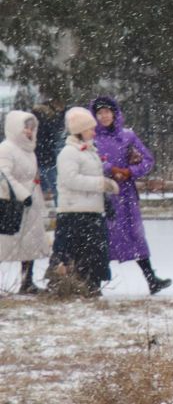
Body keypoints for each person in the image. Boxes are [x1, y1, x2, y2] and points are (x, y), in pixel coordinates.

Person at [91, 95, 168, 294]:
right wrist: (110, 169)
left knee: (135, 236)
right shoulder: (91, 138)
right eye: (100, 113)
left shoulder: (128, 136)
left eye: (107, 112)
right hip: (104, 194)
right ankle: (94, 284)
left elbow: (147, 160)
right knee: (102, 238)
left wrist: (130, 172)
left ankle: (151, 278)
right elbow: (92, 161)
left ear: (114, 113)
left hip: (126, 195)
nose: (104, 116)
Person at [52, 106, 116, 295]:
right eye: (90, 128)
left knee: (94, 252)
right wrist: (100, 184)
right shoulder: (69, 153)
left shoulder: (89, 151)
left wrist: (106, 187)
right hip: (75, 211)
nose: (94, 132)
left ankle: (92, 284)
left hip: (92, 210)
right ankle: (74, 284)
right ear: (80, 131)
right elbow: (70, 180)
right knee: (76, 252)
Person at [0, 110, 53, 294]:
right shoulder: (6, 148)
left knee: (30, 242)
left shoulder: (29, 150)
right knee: (5, 242)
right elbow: (3, 174)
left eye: (32, 128)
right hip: (12, 203)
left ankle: (27, 280)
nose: (29, 132)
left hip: (31, 202)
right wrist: (22, 194)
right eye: (25, 128)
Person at [31, 100, 59, 207]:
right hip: (49, 159)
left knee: (38, 188)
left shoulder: (31, 121)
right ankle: (57, 208)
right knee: (55, 186)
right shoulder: (48, 120)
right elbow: (52, 139)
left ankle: (41, 211)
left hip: (36, 159)